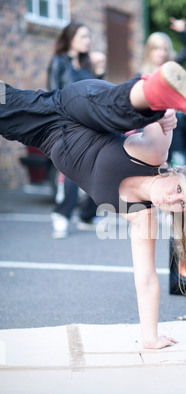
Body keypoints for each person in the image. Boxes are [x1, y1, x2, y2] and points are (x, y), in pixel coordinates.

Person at [0, 61, 186, 349]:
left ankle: (154, 97)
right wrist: (166, 113)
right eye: (178, 189)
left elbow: (147, 278)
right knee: (126, 113)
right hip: (80, 106)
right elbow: (158, 124)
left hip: (47, 130)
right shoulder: (154, 153)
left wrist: (150, 338)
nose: (173, 200)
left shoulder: (142, 217)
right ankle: (155, 91)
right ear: (175, 171)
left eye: (182, 204)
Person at [48, 22, 106, 238]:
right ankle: (61, 215)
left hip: (90, 124)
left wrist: (100, 73)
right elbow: (54, 94)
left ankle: (87, 215)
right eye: (83, 36)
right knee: (70, 171)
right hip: (68, 124)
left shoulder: (86, 64)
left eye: (88, 37)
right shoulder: (59, 62)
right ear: (71, 37)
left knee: (98, 168)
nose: (87, 41)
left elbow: (97, 92)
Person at [142, 18, 186, 167]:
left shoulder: (172, 68)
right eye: (157, 48)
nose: (161, 53)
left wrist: (183, 32)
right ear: (149, 51)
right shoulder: (142, 74)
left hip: (173, 125)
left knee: (177, 165)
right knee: (154, 166)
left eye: (164, 49)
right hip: (151, 126)